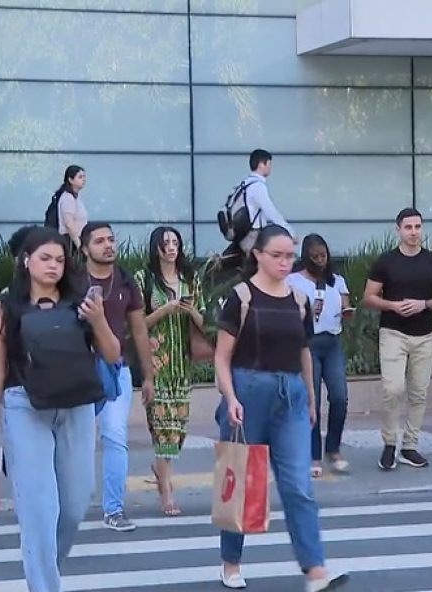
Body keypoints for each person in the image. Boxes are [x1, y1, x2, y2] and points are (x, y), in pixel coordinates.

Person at [0, 227, 120, 591]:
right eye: (45, 258)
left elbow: (113, 354)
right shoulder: (3, 309)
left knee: (73, 507)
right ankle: (43, 584)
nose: (53, 266)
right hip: (25, 406)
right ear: (26, 260)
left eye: (59, 259)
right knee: (40, 512)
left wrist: (98, 318)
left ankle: (43, 570)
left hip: (76, 407)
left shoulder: (80, 304)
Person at [215, 224, 348, 592]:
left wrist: (309, 397)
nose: (284, 262)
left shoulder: (299, 299)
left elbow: (304, 350)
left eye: (290, 255)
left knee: (298, 486)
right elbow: (221, 357)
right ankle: (231, 562)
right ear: (257, 254)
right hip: (248, 389)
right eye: (277, 255)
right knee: (240, 483)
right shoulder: (241, 297)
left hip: (290, 395)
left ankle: (315, 570)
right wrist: (230, 397)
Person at [362, 207, 432, 471]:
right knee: (392, 389)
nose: (414, 232)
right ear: (398, 230)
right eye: (408, 227)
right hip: (392, 332)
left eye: (417, 227)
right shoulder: (386, 261)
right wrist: (393, 306)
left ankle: (410, 446)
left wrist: (424, 303)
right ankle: (389, 443)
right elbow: (368, 297)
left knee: (418, 393)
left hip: (424, 335)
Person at [81, 222, 156, 531]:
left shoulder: (125, 280)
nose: (107, 245)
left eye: (111, 239)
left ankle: (114, 509)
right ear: (85, 248)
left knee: (115, 437)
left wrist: (148, 376)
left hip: (117, 369)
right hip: (79, 369)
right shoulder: (72, 280)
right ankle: (66, 506)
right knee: (78, 442)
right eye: (99, 241)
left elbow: (139, 329)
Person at [134, 226, 204, 517]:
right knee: (162, 430)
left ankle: (160, 469)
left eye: (175, 242)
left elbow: (203, 321)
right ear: (157, 248)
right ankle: (166, 492)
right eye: (166, 243)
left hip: (182, 363)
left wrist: (188, 310)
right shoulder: (144, 279)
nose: (172, 248)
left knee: (179, 428)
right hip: (156, 361)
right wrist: (167, 309)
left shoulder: (191, 279)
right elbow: (138, 324)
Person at [287, 233, 352, 478]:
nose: (320, 260)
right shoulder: (293, 280)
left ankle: (333, 449)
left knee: (339, 397)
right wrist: (304, 310)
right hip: (307, 343)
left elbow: (346, 304)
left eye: (323, 255)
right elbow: (287, 312)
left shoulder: (336, 281)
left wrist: (347, 311)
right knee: (310, 400)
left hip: (332, 341)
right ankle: (313, 454)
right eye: (314, 256)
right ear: (306, 257)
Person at [238, 149, 294, 255]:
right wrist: (289, 232)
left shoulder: (245, 184)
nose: (270, 167)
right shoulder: (258, 187)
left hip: (243, 235)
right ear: (261, 165)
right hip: (254, 236)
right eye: (269, 164)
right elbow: (271, 212)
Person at [55, 165, 88, 251]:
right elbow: (68, 223)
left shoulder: (76, 198)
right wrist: (78, 244)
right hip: (70, 241)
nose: (84, 179)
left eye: (84, 177)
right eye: (80, 177)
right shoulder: (67, 198)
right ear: (70, 179)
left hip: (78, 238)